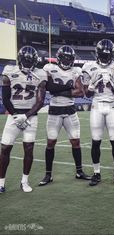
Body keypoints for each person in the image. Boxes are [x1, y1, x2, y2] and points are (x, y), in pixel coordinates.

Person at [38, 45, 91, 186]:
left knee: (76, 141)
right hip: (54, 111)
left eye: (69, 59)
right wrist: (69, 88)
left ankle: (79, 171)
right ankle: (48, 175)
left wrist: (57, 90)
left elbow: (80, 92)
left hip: (70, 110)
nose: (67, 61)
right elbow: (49, 87)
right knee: (51, 142)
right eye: (65, 58)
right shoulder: (49, 68)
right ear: (59, 58)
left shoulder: (76, 71)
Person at [0, 46, 47, 193]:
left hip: (30, 117)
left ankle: (24, 181)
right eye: (25, 61)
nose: (27, 64)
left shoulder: (40, 74)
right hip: (13, 116)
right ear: (20, 60)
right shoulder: (9, 71)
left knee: (29, 149)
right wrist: (15, 115)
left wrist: (25, 116)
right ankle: (1, 183)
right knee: (5, 148)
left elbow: (40, 101)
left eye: (30, 62)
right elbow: (5, 98)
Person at [82, 39, 114, 186]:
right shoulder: (89, 66)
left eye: (108, 55)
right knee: (96, 141)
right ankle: (96, 173)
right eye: (103, 54)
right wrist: (92, 85)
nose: (106, 57)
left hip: (112, 105)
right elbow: (86, 94)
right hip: (97, 105)